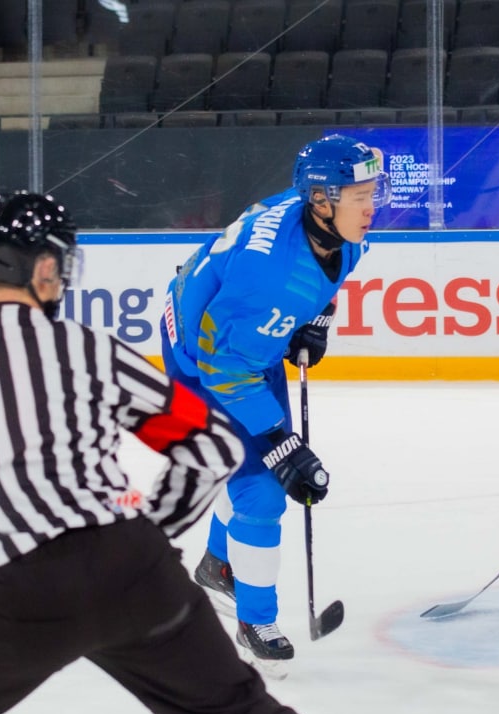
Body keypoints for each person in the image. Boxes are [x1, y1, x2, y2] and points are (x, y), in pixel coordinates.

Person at [0, 191, 408, 714]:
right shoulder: (85, 348)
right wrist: (149, 536)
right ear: (45, 269)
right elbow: (210, 446)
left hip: (14, 594)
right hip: (134, 570)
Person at [160, 133, 390, 664]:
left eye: (371, 194)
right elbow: (225, 368)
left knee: (261, 470)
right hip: (203, 362)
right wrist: (282, 447)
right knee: (263, 491)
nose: (371, 208)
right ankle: (255, 623)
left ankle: (219, 566)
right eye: (361, 198)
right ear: (321, 200)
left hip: (243, 345)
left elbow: (330, 276)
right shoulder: (265, 278)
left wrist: (318, 322)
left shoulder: (336, 228)